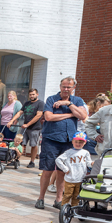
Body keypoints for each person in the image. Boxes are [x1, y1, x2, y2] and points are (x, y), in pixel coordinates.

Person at [36, 76, 87, 210]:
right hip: (51, 140)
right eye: (63, 86)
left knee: (62, 171)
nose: (65, 89)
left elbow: (82, 116)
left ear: (73, 88)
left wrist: (68, 105)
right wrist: (71, 114)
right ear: (60, 86)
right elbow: (49, 117)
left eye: (68, 87)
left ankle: (59, 199)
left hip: (69, 141)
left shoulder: (77, 100)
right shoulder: (51, 99)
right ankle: (41, 198)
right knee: (47, 169)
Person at [55, 131, 93, 206]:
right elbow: (58, 160)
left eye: (81, 142)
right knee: (67, 195)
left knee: (77, 196)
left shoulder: (86, 152)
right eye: (76, 142)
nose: (78, 144)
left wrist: (92, 164)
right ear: (72, 142)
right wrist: (65, 169)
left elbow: (89, 163)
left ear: (84, 143)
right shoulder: (69, 152)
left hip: (81, 178)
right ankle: (64, 208)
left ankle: (74, 209)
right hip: (70, 178)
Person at [13, 88, 44, 168]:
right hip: (25, 127)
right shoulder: (27, 103)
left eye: (33, 94)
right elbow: (20, 112)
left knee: (33, 145)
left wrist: (28, 124)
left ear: (37, 94)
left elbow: (38, 115)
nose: (32, 96)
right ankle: (16, 159)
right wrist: (12, 120)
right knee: (21, 143)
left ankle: (32, 162)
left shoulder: (40, 103)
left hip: (35, 128)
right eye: (30, 94)